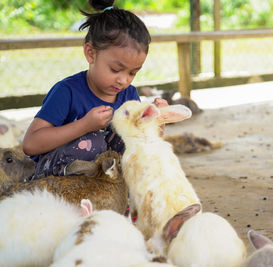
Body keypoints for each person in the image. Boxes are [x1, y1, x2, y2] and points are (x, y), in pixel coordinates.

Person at [22, 0, 166, 179]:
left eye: (133, 73)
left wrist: (155, 121)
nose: (123, 80)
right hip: (55, 178)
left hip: (100, 183)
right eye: (115, 69)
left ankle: (119, 197)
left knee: (132, 141)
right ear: (91, 53)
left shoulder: (129, 95)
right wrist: (84, 125)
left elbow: (138, 142)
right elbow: (30, 144)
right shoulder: (67, 92)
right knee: (92, 142)